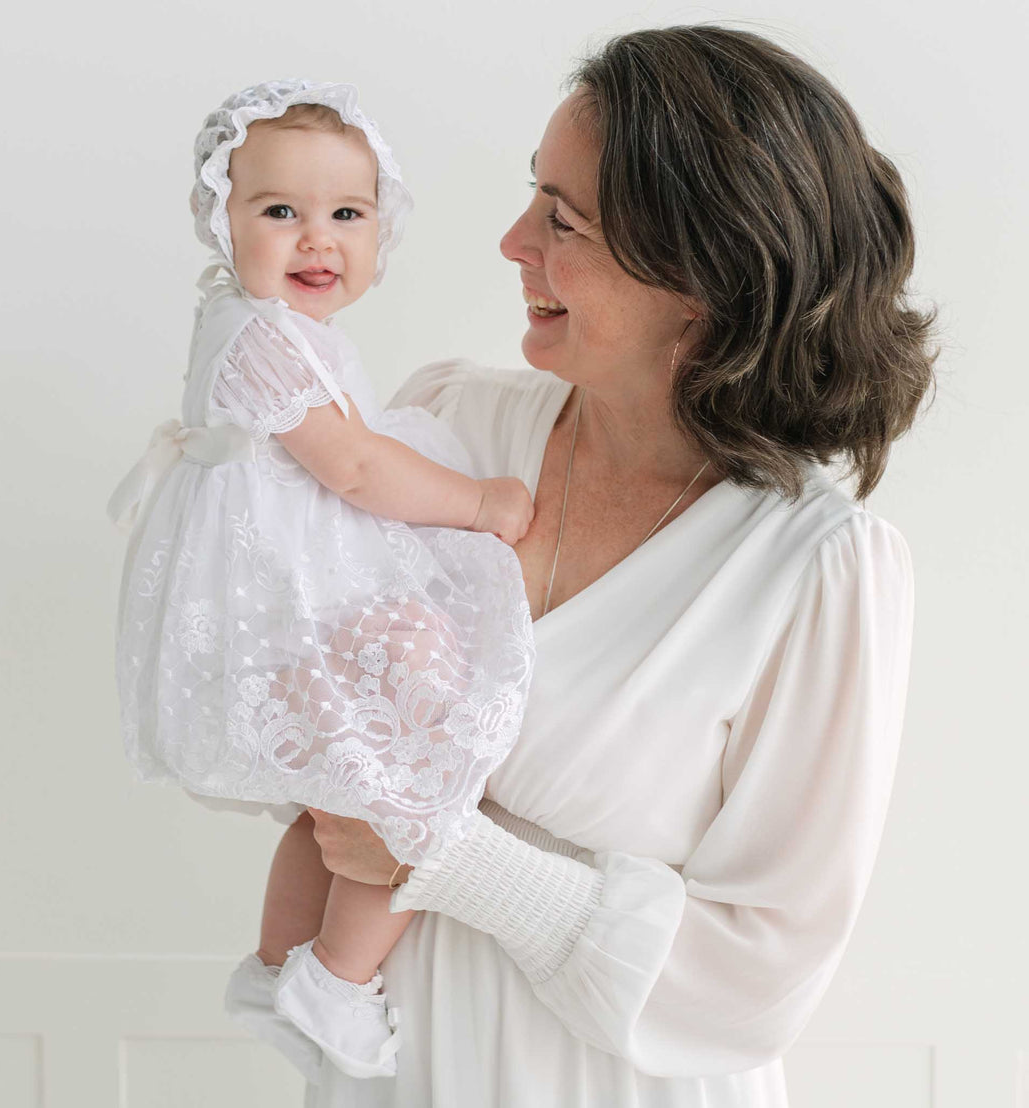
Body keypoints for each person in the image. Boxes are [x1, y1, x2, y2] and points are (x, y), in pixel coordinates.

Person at [282, 25, 934, 1108]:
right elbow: (288, 726)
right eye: (532, 195)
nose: (512, 241)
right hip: (399, 1070)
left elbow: (756, 981)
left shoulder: (816, 569)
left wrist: (454, 859)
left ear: (701, 279)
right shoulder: (446, 428)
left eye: (563, 219)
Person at [106, 79, 537, 1081]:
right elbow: (355, 469)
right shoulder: (259, 337)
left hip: (287, 598)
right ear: (223, 221)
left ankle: (277, 970)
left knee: (332, 799)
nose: (317, 239)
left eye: (347, 214)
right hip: (281, 605)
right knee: (407, 765)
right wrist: (480, 503)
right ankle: (337, 980)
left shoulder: (269, 326)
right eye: (279, 212)